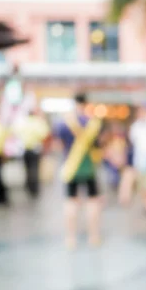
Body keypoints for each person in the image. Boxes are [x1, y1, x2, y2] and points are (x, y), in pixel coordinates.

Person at [55, 93, 103, 249]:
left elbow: (59, 145)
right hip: (89, 168)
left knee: (71, 202)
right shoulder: (93, 123)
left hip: (71, 168)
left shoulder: (64, 123)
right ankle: (94, 237)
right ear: (86, 104)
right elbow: (98, 146)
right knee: (92, 202)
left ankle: (71, 238)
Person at [12, 108, 50, 198]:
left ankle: (28, 187)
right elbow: (45, 133)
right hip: (35, 148)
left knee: (27, 169)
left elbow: (15, 132)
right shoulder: (38, 122)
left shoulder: (22, 123)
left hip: (24, 149)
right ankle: (34, 188)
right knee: (35, 169)